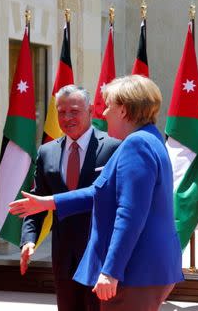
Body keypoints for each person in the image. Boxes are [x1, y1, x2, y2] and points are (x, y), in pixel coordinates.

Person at [10, 75, 184, 311]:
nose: (104, 113)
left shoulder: (136, 145)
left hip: (134, 271)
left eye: (109, 106)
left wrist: (111, 271)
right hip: (145, 269)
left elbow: (130, 214)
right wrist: (49, 202)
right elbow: (101, 191)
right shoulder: (150, 139)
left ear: (123, 110)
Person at [20, 85, 121, 311]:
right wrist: (29, 240)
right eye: (61, 111)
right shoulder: (47, 152)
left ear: (90, 111)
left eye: (74, 111)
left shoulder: (113, 148)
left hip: (100, 256)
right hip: (63, 257)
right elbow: (38, 200)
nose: (67, 118)